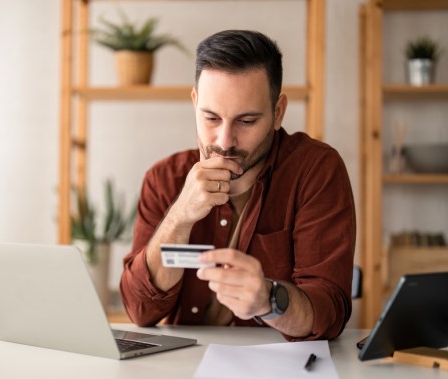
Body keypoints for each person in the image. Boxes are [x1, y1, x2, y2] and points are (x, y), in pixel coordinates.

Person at [120, 30, 356, 340]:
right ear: (194, 103)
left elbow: (330, 312)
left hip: (279, 367)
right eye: (211, 118)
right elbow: (140, 310)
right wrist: (178, 217)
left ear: (278, 112)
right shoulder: (164, 178)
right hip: (184, 366)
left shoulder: (316, 170)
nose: (224, 142)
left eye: (246, 121)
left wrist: (268, 300)